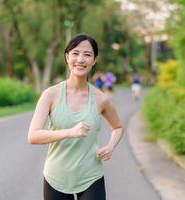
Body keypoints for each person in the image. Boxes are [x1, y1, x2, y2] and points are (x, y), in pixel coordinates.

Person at [28, 34, 123, 200]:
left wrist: (111, 147)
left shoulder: (101, 99)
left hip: (91, 176)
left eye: (87, 55)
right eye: (75, 53)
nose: (81, 59)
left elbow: (118, 127)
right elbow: (33, 136)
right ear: (67, 57)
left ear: (94, 60)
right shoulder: (50, 95)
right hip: (56, 177)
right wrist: (69, 132)